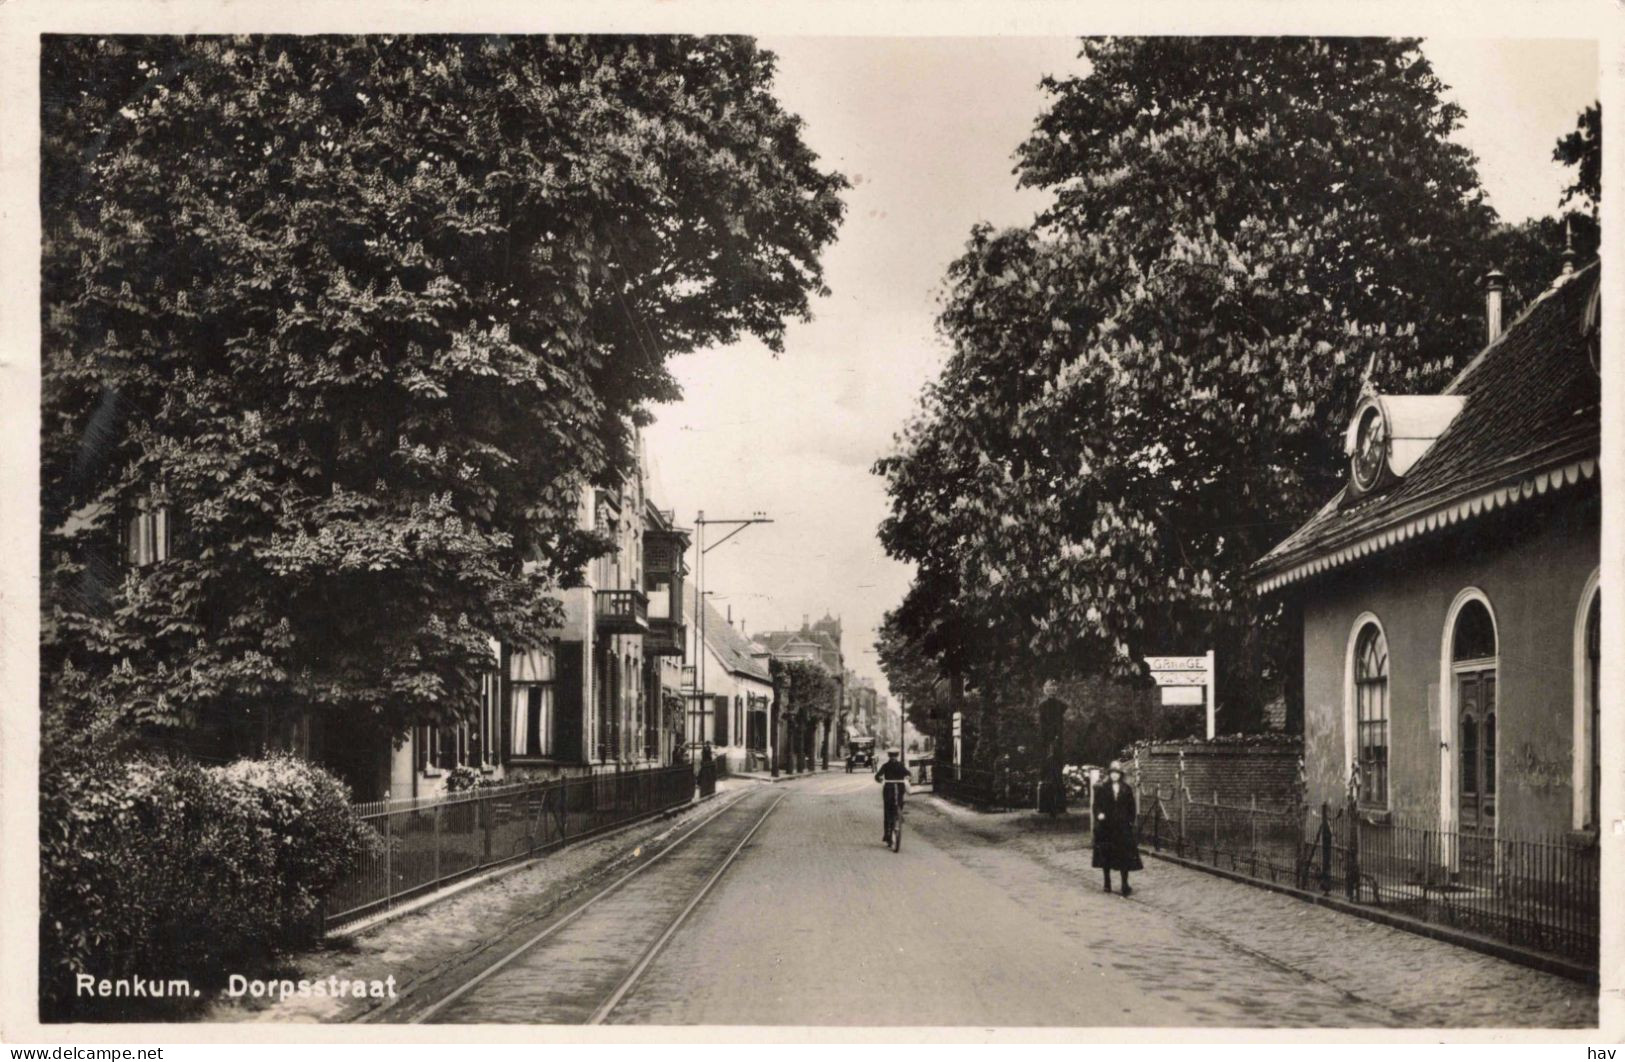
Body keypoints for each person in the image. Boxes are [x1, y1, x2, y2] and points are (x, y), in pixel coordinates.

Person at [1092, 760, 1143, 896]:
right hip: (1107, 827)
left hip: (1122, 827)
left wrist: (1130, 822)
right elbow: (1096, 805)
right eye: (1113, 773)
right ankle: (1107, 882)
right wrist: (1099, 814)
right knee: (1106, 855)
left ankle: (1124, 884)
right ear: (1110, 774)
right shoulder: (1103, 788)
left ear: (1121, 775)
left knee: (1124, 856)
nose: (1115, 776)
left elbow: (1131, 808)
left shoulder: (1126, 789)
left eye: (1117, 773)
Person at [874, 747, 911, 845]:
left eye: (895, 756)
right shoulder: (885, 766)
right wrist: (880, 779)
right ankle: (887, 834)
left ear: (897, 756)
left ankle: (899, 814)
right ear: (889, 756)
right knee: (887, 811)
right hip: (888, 789)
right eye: (891, 756)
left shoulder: (900, 765)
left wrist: (908, 776)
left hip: (899, 788)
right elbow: (877, 776)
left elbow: (908, 773)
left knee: (899, 803)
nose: (893, 758)